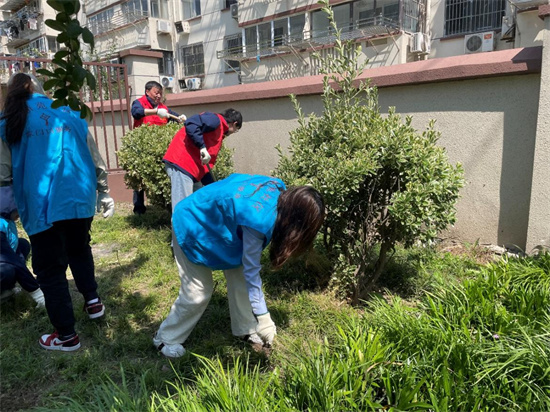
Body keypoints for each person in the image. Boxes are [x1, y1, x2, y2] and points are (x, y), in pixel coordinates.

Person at [0, 73, 114, 352]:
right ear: (41, 90)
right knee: (79, 248)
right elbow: (93, 155)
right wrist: (104, 190)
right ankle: (93, 302)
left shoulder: (7, 122)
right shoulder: (69, 112)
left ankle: (66, 336)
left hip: (43, 204)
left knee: (49, 269)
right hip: (79, 196)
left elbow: (3, 173)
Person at [153, 173, 325, 358]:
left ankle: (245, 328)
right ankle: (165, 339)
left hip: (212, 219)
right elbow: (252, 273)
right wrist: (265, 318)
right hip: (190, 222)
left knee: (240, 277)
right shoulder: (257, 221)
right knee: (198, 291)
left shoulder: (277, 187)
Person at [163, 108, 242, 212]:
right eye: (236, 130)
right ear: (234, 123)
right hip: (182, 164)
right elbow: (191, 123)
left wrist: (214, 187)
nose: (233, 133)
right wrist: (202, 147)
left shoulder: (219, 131)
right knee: (182, 208)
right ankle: (179, 228)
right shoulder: (215, 120)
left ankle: (196, 228)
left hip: (191, 170)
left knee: (200, 202)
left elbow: (205, 166)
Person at [131, 80, 186, 214]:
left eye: (160, 94)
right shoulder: (139, 103)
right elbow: (136, 113)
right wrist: (154, 112)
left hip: (158, 147)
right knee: (140, 177)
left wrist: (181, 118)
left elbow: (173, 116)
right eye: (156, 93)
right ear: (147, 92)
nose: (158, 96)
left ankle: (163, 206)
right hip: (142, 146)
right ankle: (139, 208)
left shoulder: (163, 107)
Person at [0, 186, 45, 308]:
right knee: (8, 270)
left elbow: (13, 249)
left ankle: (10, 286)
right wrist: (37, 292)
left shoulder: (5, 219)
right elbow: (13, 260)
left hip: (4, 256)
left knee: (23, 244)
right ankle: (2, 293)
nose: (20, 213)